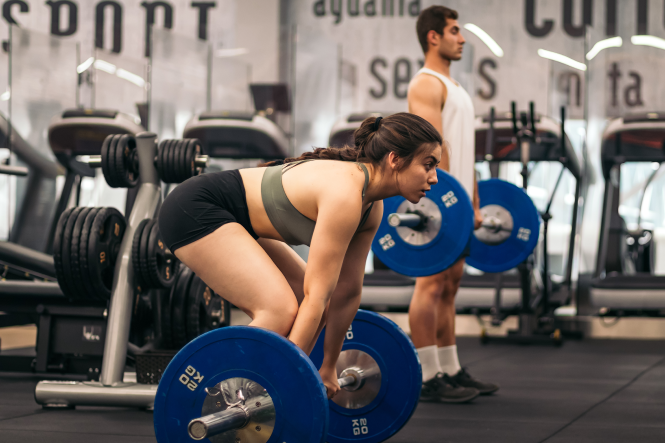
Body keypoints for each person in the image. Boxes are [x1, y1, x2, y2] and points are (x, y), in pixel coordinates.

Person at [158, 113, 443, 399]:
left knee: (305, 302)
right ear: (394, 159)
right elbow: (317, 296)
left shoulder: (371, 206)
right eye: (427, 165)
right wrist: (289, 378)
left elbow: (346, 292)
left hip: (237, 219)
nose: (433, 177)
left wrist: (328, 367)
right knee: (280, 310)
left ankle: (257, 384)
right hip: (195, 209)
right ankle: (208, 392)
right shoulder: (345, 194)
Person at [407, 5, 500, 403]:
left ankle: (450, 367)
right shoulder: (426, 84)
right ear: (434, 37)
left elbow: (465, 154)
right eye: (454, 31)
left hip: (458, 201)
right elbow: (433, 150)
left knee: (450, 285)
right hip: (438, 202)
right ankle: (427, 377)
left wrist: (473, 200)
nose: (461, 38)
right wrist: (446, 204)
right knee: (429, 284)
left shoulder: (455, 87)